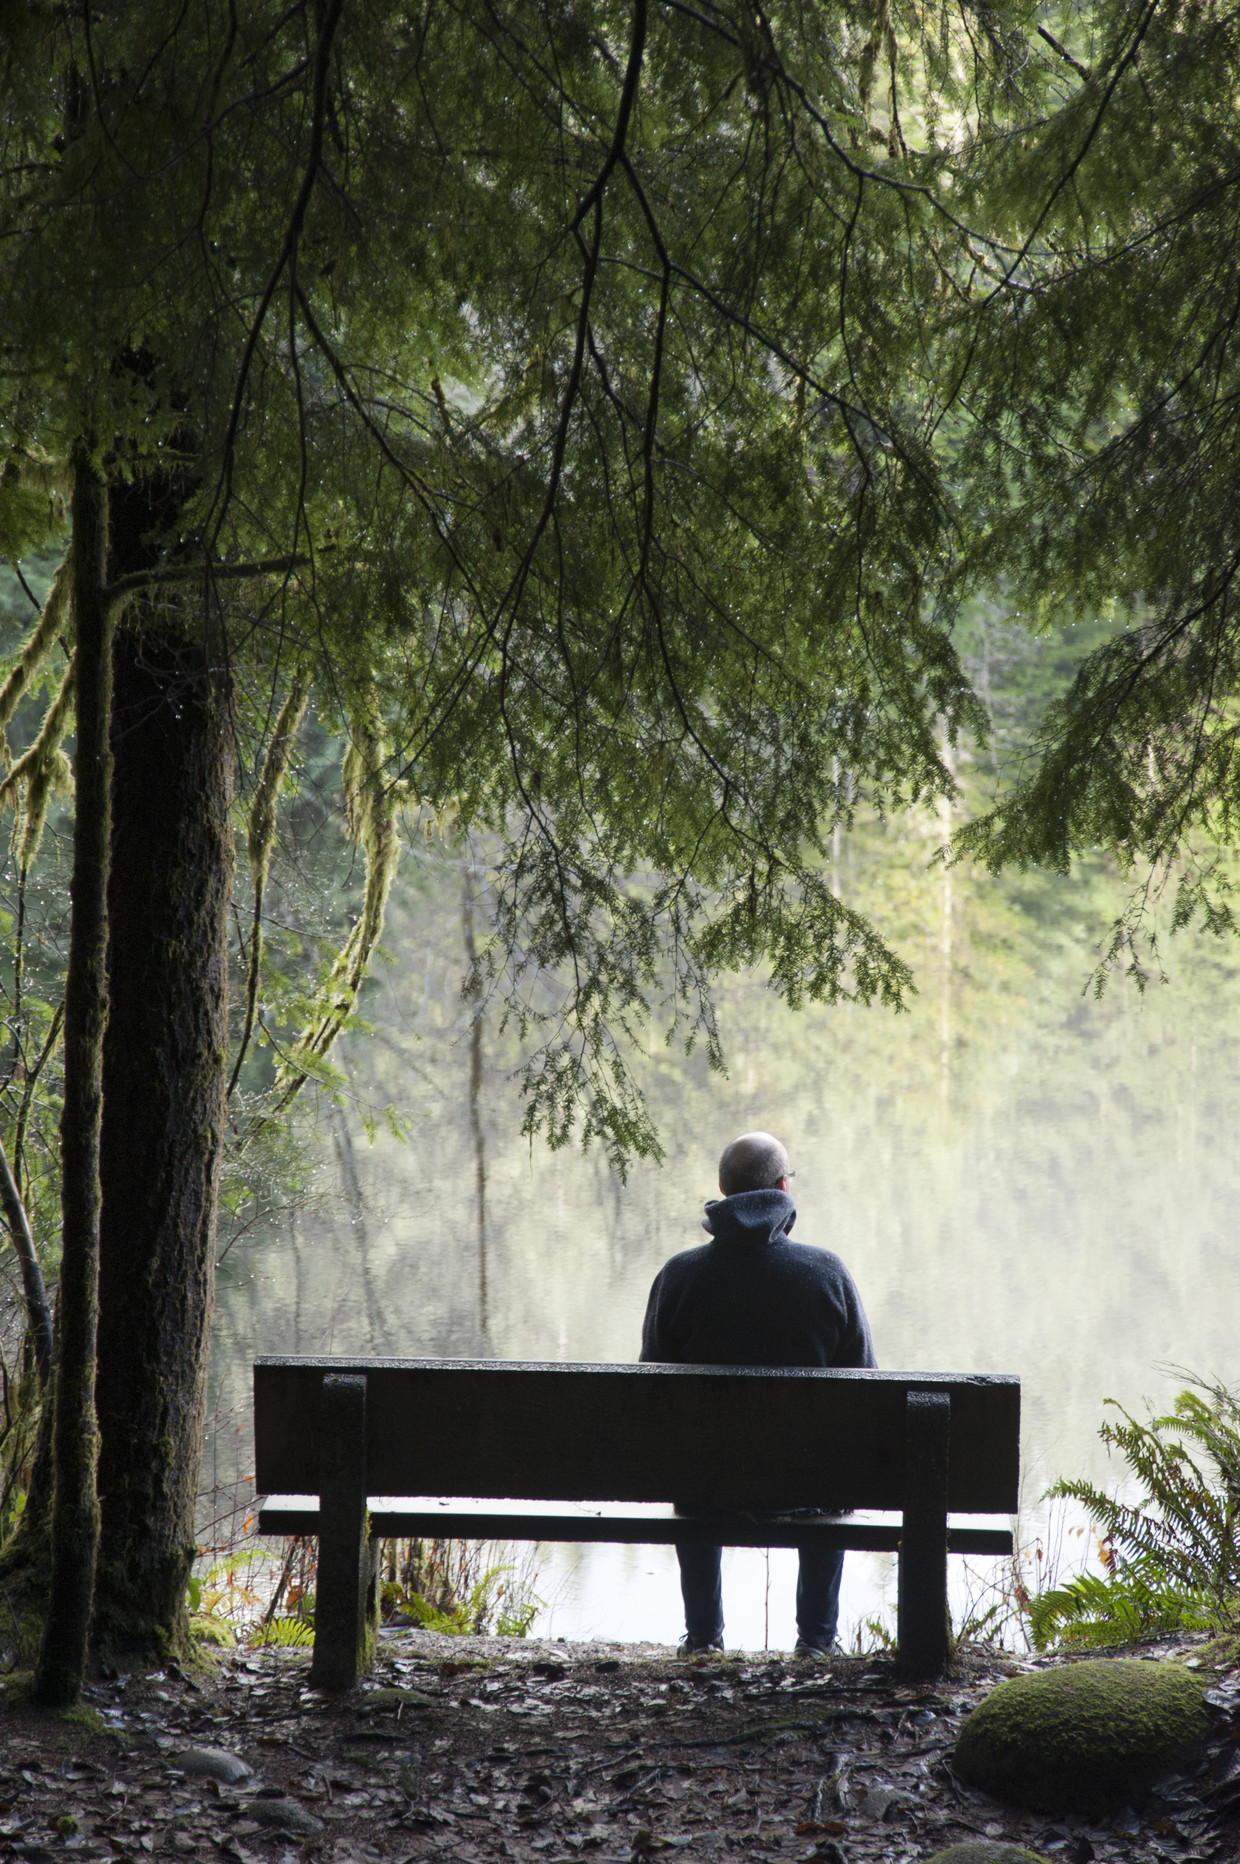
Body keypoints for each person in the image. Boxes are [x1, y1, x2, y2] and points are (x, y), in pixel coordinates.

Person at [639, 1130, 876, 1657]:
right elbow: (865, 1393)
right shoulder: (827, 1274)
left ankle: (703, 1637)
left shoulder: (679, 1277)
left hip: (708, 1488)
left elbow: (650, 1393)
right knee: (831, 1469)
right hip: (806, 1488)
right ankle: (816, 1641)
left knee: (692, 1471)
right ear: (783, 1186)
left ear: (723, 1192)